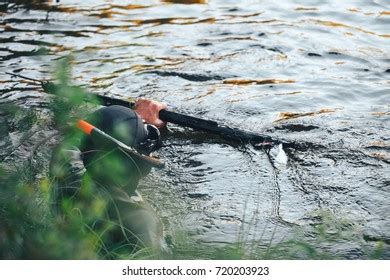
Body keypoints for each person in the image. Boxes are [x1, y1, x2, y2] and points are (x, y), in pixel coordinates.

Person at [50, 99, 169, 257]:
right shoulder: (142, 221)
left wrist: (133, 121)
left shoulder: (68, 183)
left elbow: (66, 150)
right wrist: (136, 125)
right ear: (139, 167)